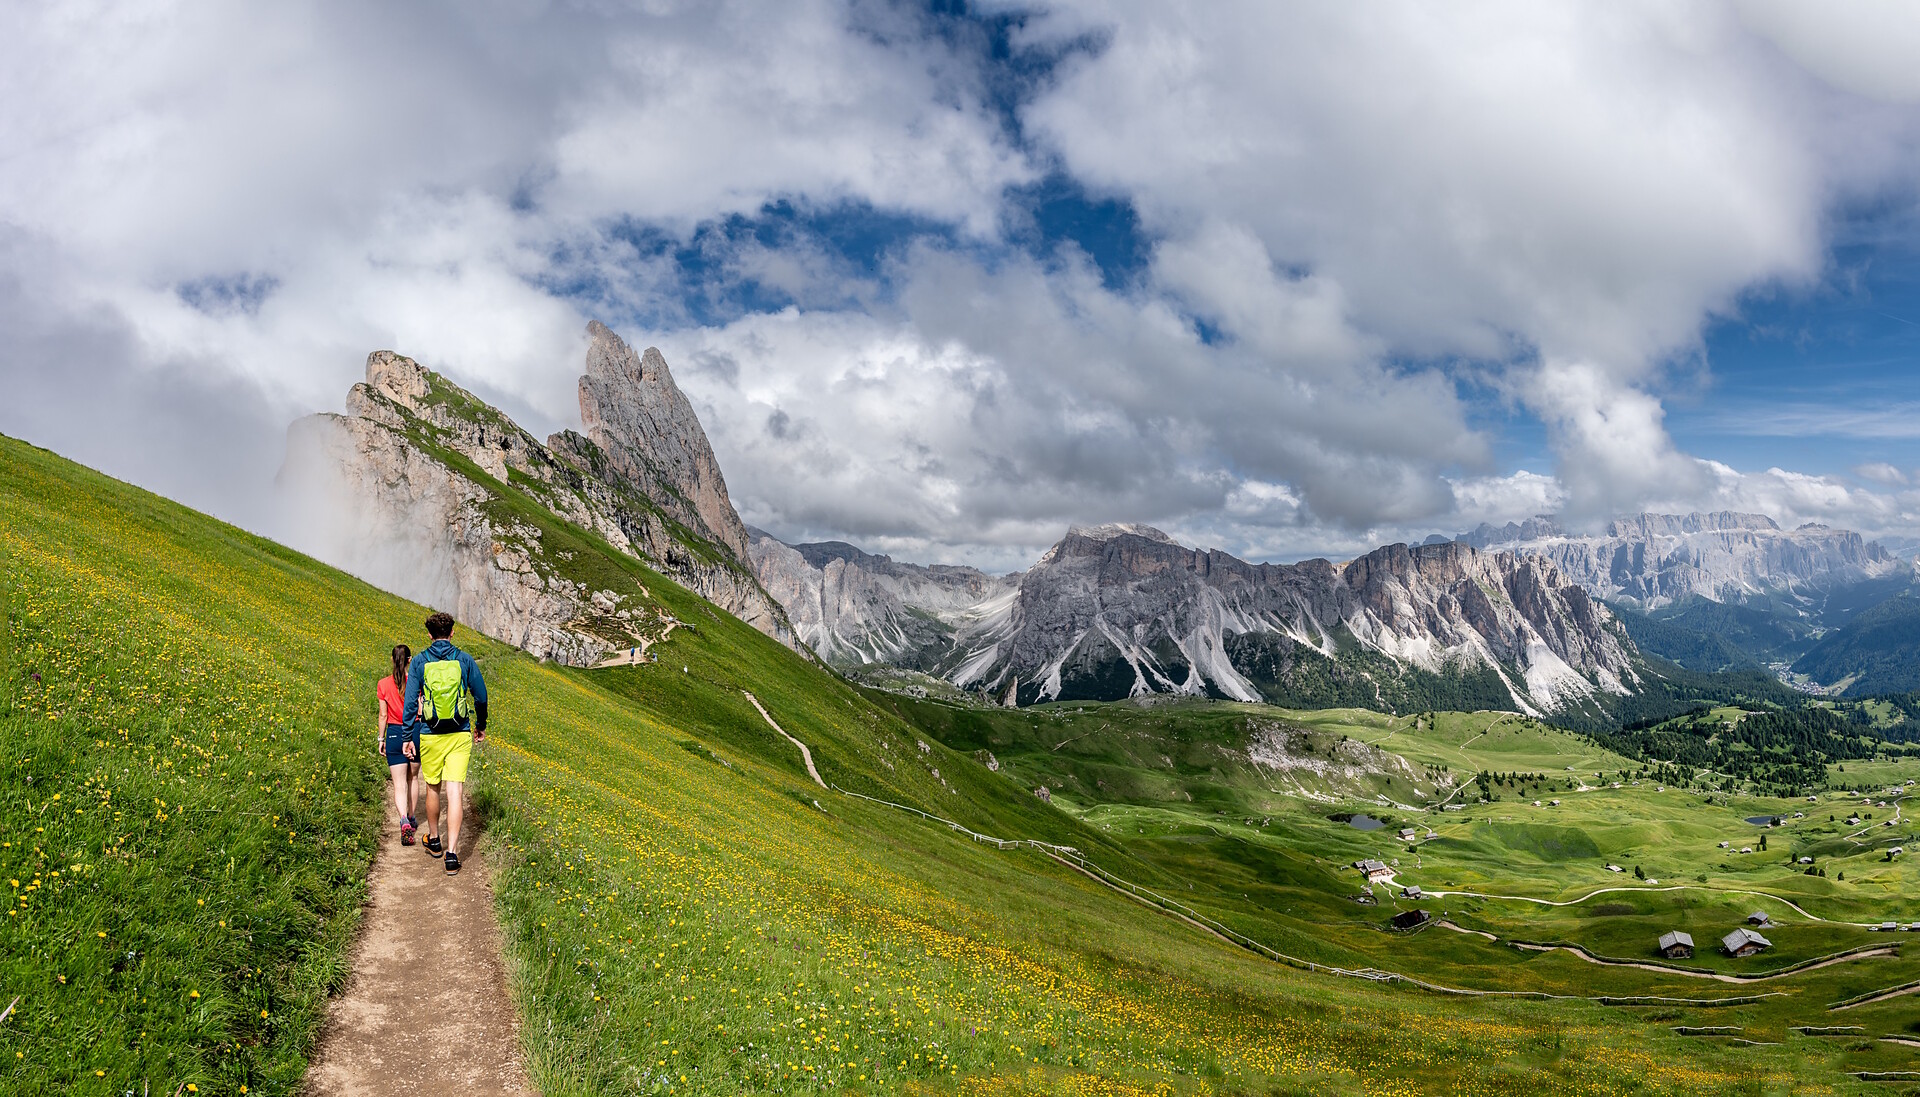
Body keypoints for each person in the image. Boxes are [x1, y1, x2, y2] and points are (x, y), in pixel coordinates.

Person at [403, 611, 488, 875]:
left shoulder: (418, 662)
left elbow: (409, 702)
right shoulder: (464, 660)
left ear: (429, 635)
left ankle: (434, 839)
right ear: (452, 632)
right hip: (459, 732)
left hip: (429, 732)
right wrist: (480, 725)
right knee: (455, 792)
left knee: (432, 788)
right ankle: (452, 855)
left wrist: (407, 736)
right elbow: (481, 696)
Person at [377, 643, 421, 845]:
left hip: (394, 733)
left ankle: (402, 818)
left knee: (399, 783)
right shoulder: (416, 682)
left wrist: (381, 739)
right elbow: (420, 710)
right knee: (413, 778)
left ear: (392, 660)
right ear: (410, 660)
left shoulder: (383, 684)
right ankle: (412, 817)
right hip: (414, 731)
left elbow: (383, 715)